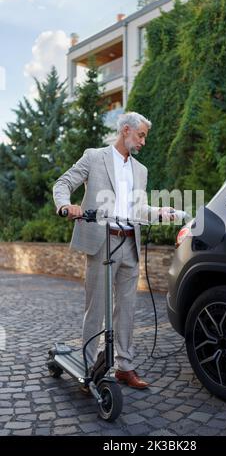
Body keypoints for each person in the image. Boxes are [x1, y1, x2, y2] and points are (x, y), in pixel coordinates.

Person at [53, 111, 174, 389]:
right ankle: (87, 368)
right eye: (141, 135)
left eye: (145, 136)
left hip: (130, 243)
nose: (143, 141)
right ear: (126, 131)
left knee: (128, 308)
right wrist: (65, 205)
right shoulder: (95, 157)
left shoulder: (140, 170)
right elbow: (63, 183)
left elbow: (138, 209)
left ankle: (125, 367)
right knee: (96, 308)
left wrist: (159, 212)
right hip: (101, 241)